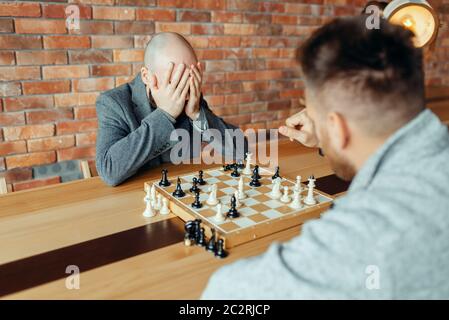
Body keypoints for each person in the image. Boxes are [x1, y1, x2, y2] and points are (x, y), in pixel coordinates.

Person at [202, 16, 449, 299]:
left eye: (313, 112)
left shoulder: (367, 238)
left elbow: (223, 293)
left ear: (338, 127)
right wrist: (326, 137)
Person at [96, 32, 245, 186]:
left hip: (181, 192)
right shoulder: (113, 103)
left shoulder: (190, 97)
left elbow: (242, 149)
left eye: (189, 78)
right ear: (146, 76)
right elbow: (109, 171)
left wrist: (196, 114)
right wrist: (165, 114)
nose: (184, 89)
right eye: (175, 80)